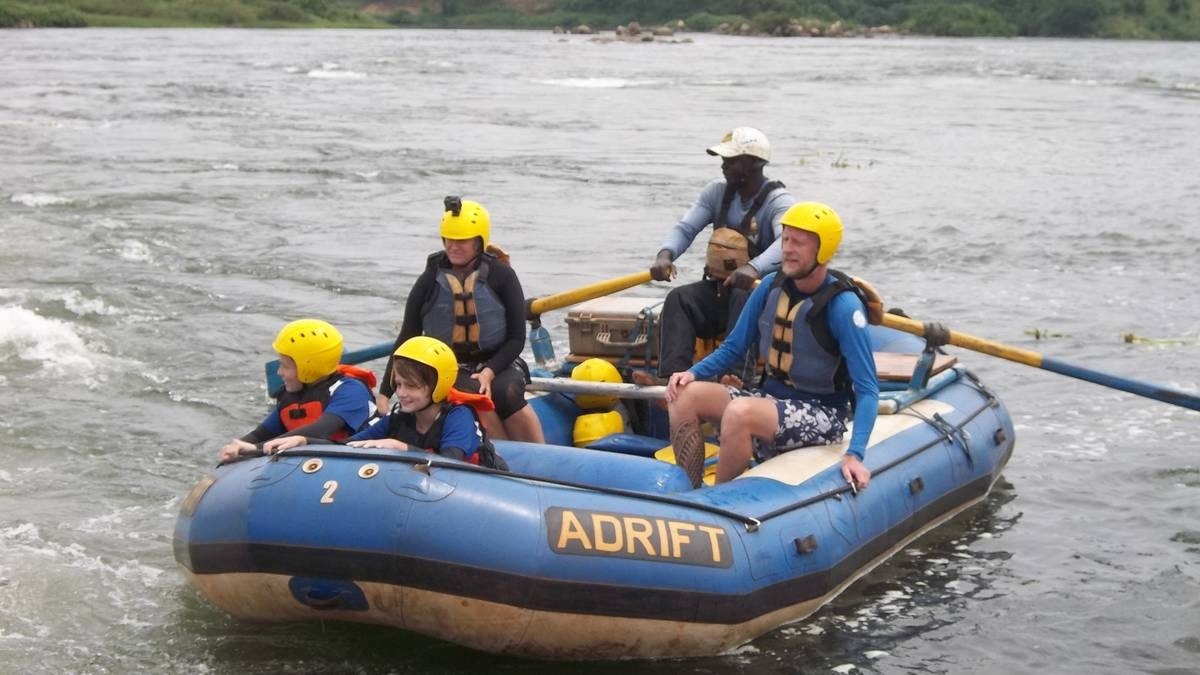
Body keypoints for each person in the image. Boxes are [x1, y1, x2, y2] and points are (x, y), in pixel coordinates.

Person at [664, 202, 876, 490]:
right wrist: (692, 373)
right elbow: (733, 348)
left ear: (823, 250)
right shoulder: (769, 288)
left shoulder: (843, 306)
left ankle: (714, 501)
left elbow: (867, 389)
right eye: (786, 239)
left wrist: (856, 454)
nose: (787, 249)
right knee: (684, 395)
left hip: (824, 414)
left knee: (740, 412)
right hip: (769, 398)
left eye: (798, 243)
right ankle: (691, 489)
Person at [376, 196, 544, 444]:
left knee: (508, 394)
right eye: (449, 240)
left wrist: (489, 371)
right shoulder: (429, 279)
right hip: (447, 365)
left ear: (479, 242)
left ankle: (541, 457)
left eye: (462, 241)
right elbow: (408, 336)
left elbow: (517, 338)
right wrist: (384, 392)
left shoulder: (502, 276)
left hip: (499, 360)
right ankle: (498, 461)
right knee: (472, 396)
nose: (454, 247)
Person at [648, 127, 796, 379]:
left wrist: (753, 268)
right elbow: (686, 228)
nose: (723, 166)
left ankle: (736, 378)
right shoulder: (716, 192)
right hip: (722, 292)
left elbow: (787, 242)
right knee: (679, 299)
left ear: (753, 163)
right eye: (723, 160)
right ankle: (672, 380)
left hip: (764, 302)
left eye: (731, 161)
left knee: (743, 294)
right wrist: (665, 254)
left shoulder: (779, 202)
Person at [265, 336, 504, 469]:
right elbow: (348, 446)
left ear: (438, 386)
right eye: (398, 385)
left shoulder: (458, 416)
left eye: (411, 386)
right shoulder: (399, 419)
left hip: (484, 484)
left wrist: (402, 448)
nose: (401, 393)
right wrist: (304, 440)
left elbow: (451, 461)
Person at [217, 319, 375, 463]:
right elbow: (260, 434)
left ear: (308, 367)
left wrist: (255, 450)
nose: (279, 372)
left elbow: (319, 430)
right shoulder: (292, 396)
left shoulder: (351, 391)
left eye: (285, 366)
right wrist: (238, 448)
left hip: (357, 463)